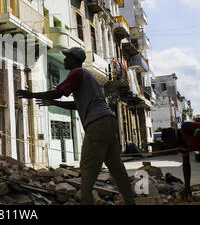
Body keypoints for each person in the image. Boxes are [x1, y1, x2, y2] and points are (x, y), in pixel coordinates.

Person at [16, 47, 135, 205]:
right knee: (116, 167)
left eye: (67, 57)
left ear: (75, 60)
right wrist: (53, 103)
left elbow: (58, 92)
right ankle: (130, 201)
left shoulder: (77, 72)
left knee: (87, 166)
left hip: (97, 123)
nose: (65, 60)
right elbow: (78, 104)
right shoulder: (88, 77)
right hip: (108, 121)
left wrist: (31, 95)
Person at [162, 122, 200, 205]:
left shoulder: (186, 127)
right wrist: (187, 188)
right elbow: (186, 166)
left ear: (172, 136)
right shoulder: (183, 145)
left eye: (170, 143)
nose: (172, 146)